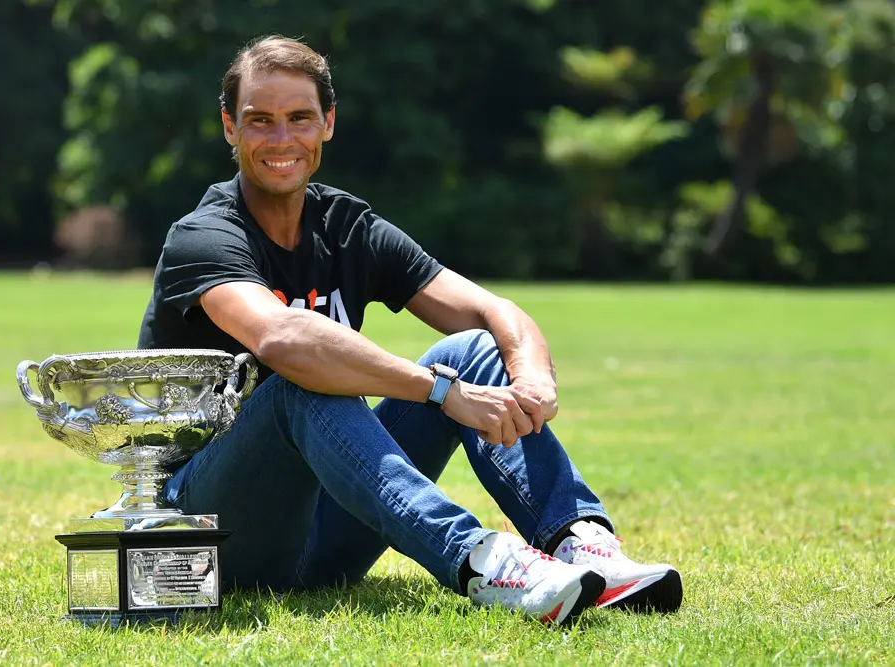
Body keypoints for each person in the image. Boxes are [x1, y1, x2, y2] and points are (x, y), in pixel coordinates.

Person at [138, 35, 682, 626]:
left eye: (299, 118)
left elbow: (492, 313)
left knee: (472, 350)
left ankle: (580, 543)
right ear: (230, 127)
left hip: (331, 535)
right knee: (301, 383)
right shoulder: (203, 235)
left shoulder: (346, 226)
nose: (281, 138)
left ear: (328, 123)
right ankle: (485, 563)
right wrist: (441, 392)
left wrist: (531, 381)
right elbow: (284, 340)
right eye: (259, 120)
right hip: (215, 534)